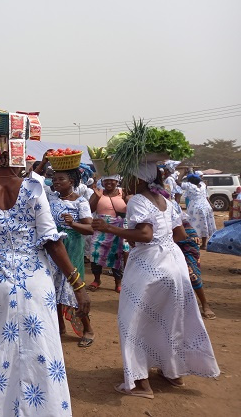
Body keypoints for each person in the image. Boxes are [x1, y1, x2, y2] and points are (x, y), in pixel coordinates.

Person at [0, 135, 91, 416]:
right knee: (40, 349)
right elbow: (53, 242)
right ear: (16, 157)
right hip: (36, 282)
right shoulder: (34, 189)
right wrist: (78, 285)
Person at [92, 162, 220, 399]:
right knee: (170, 319)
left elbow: (145, 234)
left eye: (128, 177)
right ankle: (173, 373)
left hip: (150, 264)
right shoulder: (168, 201)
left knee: (133, 322)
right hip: (174, 263)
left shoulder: (137, 201)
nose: (124, 181)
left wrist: (110, 228)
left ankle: (141, 383)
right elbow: (180, 234)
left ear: (139, 180)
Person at [46, 168, 96, 347]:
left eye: (61, 179)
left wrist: (72, 223)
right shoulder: (51, 199)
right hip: (52, 245)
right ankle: (59, 327)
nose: (56, 182)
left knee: (74, 286)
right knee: (52, 286)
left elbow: (89, 229)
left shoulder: (81, 202)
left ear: (72, 182)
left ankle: (87, 328)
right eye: (55, 179)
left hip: (71, 246)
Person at [88, 175, 129, 292]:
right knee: (95, 252)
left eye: (112, 180)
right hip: (100, 227)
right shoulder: (98, 192)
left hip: (119, 228)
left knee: (118, 254)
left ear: (117, 181)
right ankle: (97, 279)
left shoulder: (123, 192)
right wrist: (97, 197)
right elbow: (89, 209)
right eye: (106, 180)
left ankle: (118, 282)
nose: (109, 183)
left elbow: (130, 208)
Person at [176, 216, 216, 319]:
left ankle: (204, 304)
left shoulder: (169, 205)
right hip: (159, 239)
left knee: (191, 272)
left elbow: (182, 235)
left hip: (185, 239)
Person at [180, 174, 216, 249]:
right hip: (206, 206)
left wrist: (183, 173)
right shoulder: (202, 185)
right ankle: (204, 244)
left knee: (193, 224)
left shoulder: (190, 186)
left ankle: (194, 242)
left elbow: (178, 182)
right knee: (204, 224)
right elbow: (206, 196)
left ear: (190, 181)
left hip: (195, 207)